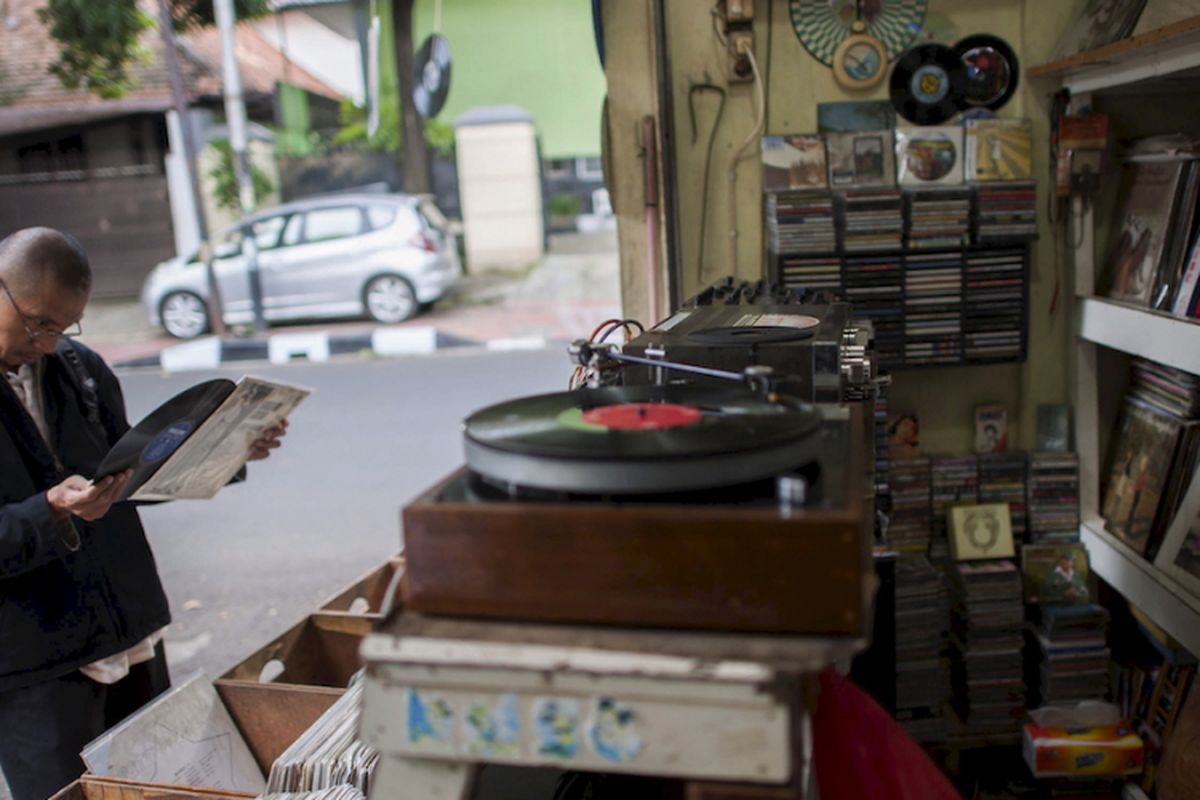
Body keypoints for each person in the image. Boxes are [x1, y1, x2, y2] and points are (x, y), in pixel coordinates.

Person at [0, 227, 287, 800]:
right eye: (37, 322)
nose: (50, 342)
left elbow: (134, 475)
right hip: (38, 667)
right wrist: (50, 510)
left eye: (64, 326)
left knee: (155, 792)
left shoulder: (80, 368)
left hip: (130, 633)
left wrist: (228, 450)